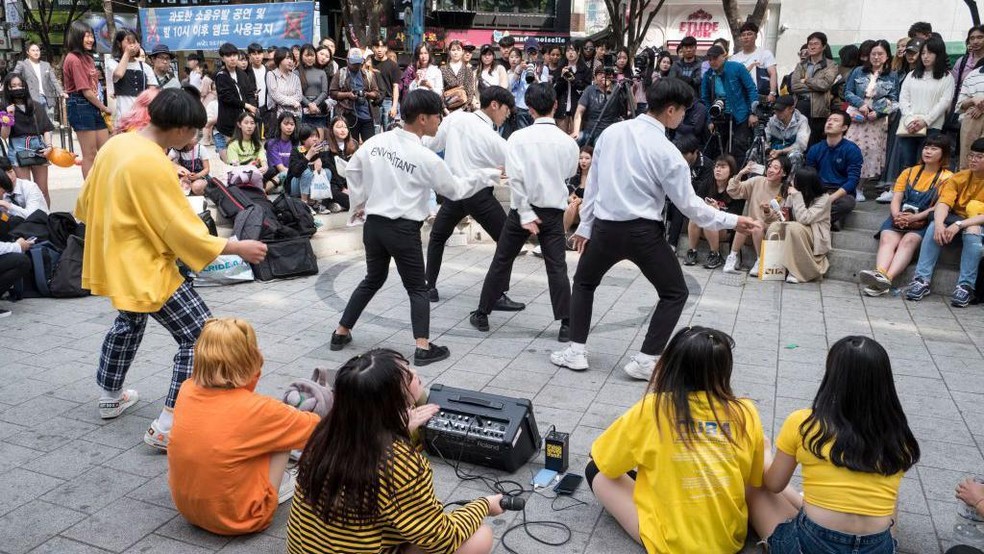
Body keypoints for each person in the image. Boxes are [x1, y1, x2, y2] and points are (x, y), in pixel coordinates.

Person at [74, 88, 267, 450]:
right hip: (146, 266)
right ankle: (170, 422)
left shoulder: (118, 145)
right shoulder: (153, 163)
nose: (193, 139)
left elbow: (85, 203)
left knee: (129, 322)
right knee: (201, 337)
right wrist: (235, 246)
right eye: (193, 132)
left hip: (113, 256)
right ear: (179, 129)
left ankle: (110, 393)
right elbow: (179, 228)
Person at [551, 78, 761, 377]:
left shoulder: (612, 133)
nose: (684, 118)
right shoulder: (669, 153)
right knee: (674, 292)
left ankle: (575, 350)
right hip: (643, 233)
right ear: (671, 110)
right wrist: (733, 220)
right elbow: (689, 206)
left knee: (584, 283)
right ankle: (646, 359)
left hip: (606, 230)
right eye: (683, 112)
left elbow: (593, 184)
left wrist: (586, 225)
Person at [286, 348, 503, 553]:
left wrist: (399, 431)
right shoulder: (398, 462)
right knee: (480, 536)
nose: (415, 373)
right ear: (391, 401)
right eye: (408, 376)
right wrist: (483, 506)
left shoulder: (325, 434)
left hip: (307, 546)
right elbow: (441, 537)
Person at [330, 90, 486, 366]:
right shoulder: (425, 156)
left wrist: (360, 202)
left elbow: (351, 169)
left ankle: (341, 331)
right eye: (439, 115)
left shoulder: (377, 142)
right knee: (418, 288)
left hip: (374, 226)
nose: (441, 120)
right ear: (423, 119)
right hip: (402, 229)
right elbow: (455, 189)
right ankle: (423, 347)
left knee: (372, 279)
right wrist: (487, 175)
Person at [586, 326, 765, 553]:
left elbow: (605, 462)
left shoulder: (653, 408)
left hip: (673, 544)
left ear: (670, 366)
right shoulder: (745, 411)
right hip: (728, 539)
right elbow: (751, 478)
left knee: (595, 471)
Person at [747, 336, 920, 554]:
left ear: (832, 375)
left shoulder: (804, 423)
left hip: (810, 543)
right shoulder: (898, 434)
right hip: (878, 545)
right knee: (888, 492)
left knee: (753, 487)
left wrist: (764, 455)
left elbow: (774, 485)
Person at [168, 317, 320, 535]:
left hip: (188, 509)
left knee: (252, 434)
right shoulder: (258, 409)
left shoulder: (186, 388)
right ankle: (277, 487)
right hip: (241, 518)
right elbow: (315, 428)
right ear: (249, 358)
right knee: (283, 433)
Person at [468, 83, 578, 340]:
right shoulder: (567, 142)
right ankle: (566, 323)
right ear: (555, 105)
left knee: (502, 260)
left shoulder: (517, 138)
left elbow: (514, 177)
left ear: (529, 109)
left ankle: (482, 313)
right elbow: (570, 173)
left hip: (522, 210)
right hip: (552, 211)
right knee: (556, 267)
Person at [422, 85, 522, 309]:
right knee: (507, 242)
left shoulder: (455, 119)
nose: (507, 115)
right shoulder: (491, 136)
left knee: (437, 237)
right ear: (494, 105)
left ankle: (429, 286)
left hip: (454, 191)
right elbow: (515, 162)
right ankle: (497, 294)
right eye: (506, 109)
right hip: (478, 193)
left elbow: (430, 144)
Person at [860, 136, 952, 296]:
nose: (928, 151)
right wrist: (896, 215)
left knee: (909, 241)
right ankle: (879, 273)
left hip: (923, 220)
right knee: (887, 238)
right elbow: (897, 197)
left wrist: (914, 218)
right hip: (900, 216)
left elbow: (940, 206)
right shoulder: (909, 172)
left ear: (943, 155)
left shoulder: (948, 178)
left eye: (934, 149)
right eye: (926, 147)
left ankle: (886, 278)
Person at [904, 137, 984, 307]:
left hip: (975, 225)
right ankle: (921, 279)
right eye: (971, 156)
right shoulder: (959, 178)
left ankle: (965, 286)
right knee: (934, 225)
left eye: (979, 157)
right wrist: (940, 224)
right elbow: (943, 204)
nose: (973, 160)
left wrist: (959, 225)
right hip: (956, 221)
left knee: (973, 230)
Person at [844, 39, 898, 200]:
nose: (876, 57)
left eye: (880, 54)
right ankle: (848, 185)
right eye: (873, 54)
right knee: (852, 148)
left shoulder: (892, 76)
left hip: (876, 121)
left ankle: (860, 188)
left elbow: (894, 100)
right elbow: (848, 92)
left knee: (871, 153)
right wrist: (860, 104)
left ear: (887, 56)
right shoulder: (858, 71)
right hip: (857, 115)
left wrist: (880, 112)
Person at [723, 156, 791, 275]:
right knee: (746, 221)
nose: (770, 170)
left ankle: (761, 260)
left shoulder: (785, 191)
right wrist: (741, 174)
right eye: (770, 166)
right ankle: (732, 257)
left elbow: (779, 219)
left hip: (770, 233)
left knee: (756, 223)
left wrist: (767, 211)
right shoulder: (757, 181)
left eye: (775, 168)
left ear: (784, 173)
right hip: (752, 230)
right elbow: (733, 191)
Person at [764, 166, 832, 283]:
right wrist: (770, 212)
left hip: (815, 234)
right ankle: (774, 267)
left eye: (794, 180)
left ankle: (797, 271)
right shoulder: (794, 194)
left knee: (794, 227)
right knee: (775, 226)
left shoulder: (824, 199)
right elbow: (785, 215)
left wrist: (797, 196)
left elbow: (804, 219)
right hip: (795, 228)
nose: (791, 182)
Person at [62, 21, 112, 179]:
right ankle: (90, 195)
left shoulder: (88, 58)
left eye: (91, 36)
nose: (91, 39)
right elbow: (85, 91)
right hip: (80, 105)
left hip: (93, 104)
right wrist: (105, 108)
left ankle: (104, 187)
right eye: (86, 36)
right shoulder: (73, 59)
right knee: (89, 154)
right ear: (77, 37)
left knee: (105, 151)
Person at [898, 37, 954, 170]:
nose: (925, 56)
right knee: (907, 163)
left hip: (932, 127)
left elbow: (944, 103)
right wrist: (910, 119)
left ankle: (923, 190)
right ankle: (905, 189)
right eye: (923, 53)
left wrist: (925, 121)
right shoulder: (912, 75)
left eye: (930, 53)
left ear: (938, 54)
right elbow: (903, 98)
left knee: (926, 164)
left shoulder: (947, 77)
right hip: (908, 127)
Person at [1, 72, 55, 206]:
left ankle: (45, 220)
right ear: (8, 88)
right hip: (17, 150)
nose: (17, 88)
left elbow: (46, 128)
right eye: (13, 86)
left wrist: (49, 146)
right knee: (25, 191)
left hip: (38, 149)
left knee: (42, 191)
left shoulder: (35, 105)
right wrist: (9, 116)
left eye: (19, 85)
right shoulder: (4, 107)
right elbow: (4, 135)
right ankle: (30, 223)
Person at [805, 111, 864, 230]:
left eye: (835, 120)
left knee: (847, 203)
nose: (830, 123)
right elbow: (809, 174)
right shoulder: (815, 149)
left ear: (844, 127)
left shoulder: (852, 149)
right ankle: (832, 220)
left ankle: (811, 219)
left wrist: (831, 198)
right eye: (829, 120)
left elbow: (853, 181)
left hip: (840, 193)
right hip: (819, 190)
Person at [701, 44, 760, 165]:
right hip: (719, 115)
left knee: (739, 146)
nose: (712, 62)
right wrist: (709, 120)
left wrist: (753, 113)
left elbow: (751, 89)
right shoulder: (708, 75)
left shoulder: (737, 68)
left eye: (715, 58)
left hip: (741, 114)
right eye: (710, 59)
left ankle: (738, 178)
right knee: (718, 147)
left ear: (723, 56)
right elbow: (705, 99)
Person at [685, 155, 741, 269]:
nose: (718, 170)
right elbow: (695, 204)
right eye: (716, 166)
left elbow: (735, 216)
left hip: (725, 229)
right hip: (703, 228)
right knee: (696, 218)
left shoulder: (736, 189)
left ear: (731, 171)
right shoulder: (707, 183)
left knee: (710, 219)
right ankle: (692, 251)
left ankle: (715, 254)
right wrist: (706, 207)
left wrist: (718, 211)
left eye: (723, 167)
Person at [789, 32, 839, 146]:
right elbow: (795, 86)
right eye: (810, 44)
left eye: (816, 44)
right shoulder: (801, 65)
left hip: (818, 109)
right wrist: (816, 86)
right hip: (800, 105)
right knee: (798, 140)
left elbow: (825, 85)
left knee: (813, 141)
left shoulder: (831, 65)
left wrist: (806, 80)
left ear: (824, 46)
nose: (812, 46)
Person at [668, 135, 715, 252]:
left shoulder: (707, 166)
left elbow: (702, 191)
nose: (682, 157)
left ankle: (672, 244)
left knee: (680, 206)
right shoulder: (678, 163)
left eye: (685, 154)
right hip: (680, 197)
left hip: (699, 200)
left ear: (695, 152)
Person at [215, 43, 258, 162]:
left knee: (245, 153)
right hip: (229, 120)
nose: (233, 58)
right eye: (228, 56)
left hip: (245, 119)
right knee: (232, 156)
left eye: (234, 55)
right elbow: (227, 97)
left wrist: (252, 108)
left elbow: (250, 93)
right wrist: (246, 105)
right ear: (223, 58)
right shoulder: (221, 75)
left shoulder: (242, 74)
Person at [570, 66, 631, 147]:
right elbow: (579, 112)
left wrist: (627, 88)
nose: (603, 76)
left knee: (599, 144)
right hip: (589, 131)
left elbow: (633, 107)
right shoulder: (589, 90)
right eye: (600, 74)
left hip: (607, 133)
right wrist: (576, 131)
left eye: (606, 74)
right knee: (572, 142)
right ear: (595, 78)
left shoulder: (617, 90)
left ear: (612, 76)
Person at [106, 29, 158, 124]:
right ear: (119, 44)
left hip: (142, 116)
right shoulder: (112, 63)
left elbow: (152, 91)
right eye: (129, 42)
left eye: (135, 42)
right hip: (123, 117)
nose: (132, 45)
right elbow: (119, 74)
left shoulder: (145, 67)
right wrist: (126, 53)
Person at [330, 48, 380, 143]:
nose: (356, 66)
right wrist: (348, 95)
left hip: (366, 115)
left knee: (370, 144)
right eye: (354, 63)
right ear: (347, 60)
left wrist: (366, 94)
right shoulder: (341, 73)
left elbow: (376, 93)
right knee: (351, 144)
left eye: (358, 63)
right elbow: (332, 92)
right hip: (348, 114)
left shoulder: (368, 74)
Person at [13, 42, 65, 122]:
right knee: (36, 123)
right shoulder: (22, 64)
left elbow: (54, 80)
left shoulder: (46, 65)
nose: (36, 52)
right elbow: (14, 76)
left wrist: (61, 92)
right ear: (28, 52)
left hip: (48, 98)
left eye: (37, 50)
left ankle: (48, 135)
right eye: (33, 50)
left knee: (49, 123)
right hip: (33, 98)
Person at [765, 94, 810, 170]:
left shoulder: (802, 120)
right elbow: (763, 140)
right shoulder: (771, 120)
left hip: (790, 153)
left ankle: (792, 181)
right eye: (776, 109)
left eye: (781, 110)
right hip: (773, 152)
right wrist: (769, 151)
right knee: (754, 151)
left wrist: (781, 151)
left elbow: (801, 145)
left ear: (791, 109)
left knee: (796, 155)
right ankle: (756, 180)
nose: (777, 112)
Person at [321, 116, 356, 212]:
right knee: (353, 202)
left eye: (345, 127)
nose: (343, 130)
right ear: (331, 130)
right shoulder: (325, 146)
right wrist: (343, 188)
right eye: (339, 127)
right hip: (334, 185)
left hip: (349, 184)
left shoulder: (353, 145)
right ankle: (336, 203)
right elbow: (331, 170)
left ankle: (339, 206)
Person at [297, 44, 330, 136]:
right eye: (307, 55)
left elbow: (324, 92)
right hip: (303, 110)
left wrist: (314, 104)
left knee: (319, 139)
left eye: (312, 55)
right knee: (305, 139)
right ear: (301, 56)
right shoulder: (296, 72)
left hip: (318, 110)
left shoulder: (321, 72)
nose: (310, 58)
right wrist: (309, 104)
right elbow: (297, 93)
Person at [370, 39, 401, 130]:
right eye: (377, 47)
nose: (379, 49)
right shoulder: (369, 62)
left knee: (389, 130)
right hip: (373, 101)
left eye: (382, 47)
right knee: (374, 131)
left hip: (388, 101)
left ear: (386, 48)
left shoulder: (393, 65)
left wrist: (394, 106)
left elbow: (396, 87)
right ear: (373, 48)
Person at [226, 111, 268, 178]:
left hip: (255, 171)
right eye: (246, 123)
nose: (249, 126)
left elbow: (262, 157)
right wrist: (248, 167)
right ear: (239, 124)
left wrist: (265, 166)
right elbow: (234, 168)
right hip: (239, 174)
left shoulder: (257, 143)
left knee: (271, 170)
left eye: (252, 123)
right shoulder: (233, 145)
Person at [267, 46, 304, 121]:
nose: (290, 61)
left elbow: (299, 96)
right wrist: (293, 102)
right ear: (279, 59)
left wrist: (290, 101)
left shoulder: (295, 77)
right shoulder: (271, 75)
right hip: (278, 116)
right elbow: (275, 96)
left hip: (295, 116)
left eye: (291, 59)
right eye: (287, 58)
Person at [563, 146, 593, 233]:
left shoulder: (595, 177)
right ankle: (563, 234)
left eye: (587, 158)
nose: (583, 161)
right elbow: (567, 193)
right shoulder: (574, 174)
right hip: (574, 208)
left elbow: (596, 197)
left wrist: (581, 200)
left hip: (588, 207)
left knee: (581, 207)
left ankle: (583, 234)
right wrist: (572, 198)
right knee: (572, 206)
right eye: (581, 158)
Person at [264, 112, 297, 193]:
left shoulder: (296, 143)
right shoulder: (272, 144)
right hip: (276, 177)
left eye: (292, 124)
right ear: (279, 125)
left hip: (291, 177)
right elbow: (281, 169)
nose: (289, 127)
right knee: (283, 174)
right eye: (286, 124)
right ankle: (263, 191)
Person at [441, 40, 477, 113]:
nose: (455, 52)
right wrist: (445, 109)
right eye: (453, 50)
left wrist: (463, 108)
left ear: (462, 51)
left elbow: (470, 92)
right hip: (447, 110)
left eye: (458, 49)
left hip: (464, 110)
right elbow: (440, 91)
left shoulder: (468, 70)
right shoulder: (442, 69)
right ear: (449, 52)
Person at [245, 43, 270, 138]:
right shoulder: (246, 72)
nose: (257, 57)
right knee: (254, 137)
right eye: (254, 54)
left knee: (269, 137)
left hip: (268, 108)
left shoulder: (269, 70)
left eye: (259, 53)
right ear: (249, 56)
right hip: (252, 108)